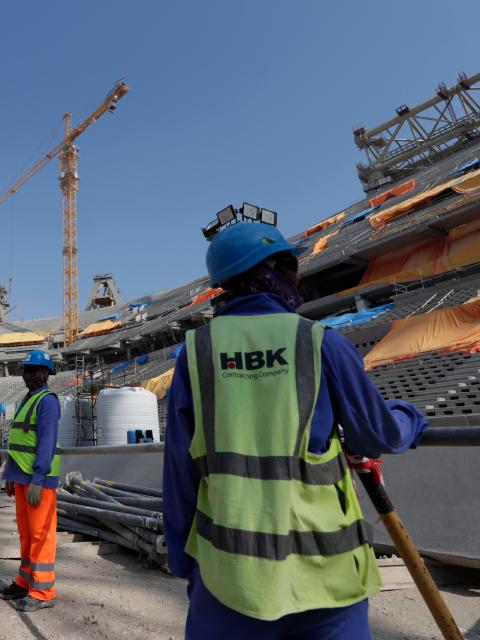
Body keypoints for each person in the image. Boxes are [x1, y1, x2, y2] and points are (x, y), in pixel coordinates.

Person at [162, 221, 428, 638]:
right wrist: (410, 418)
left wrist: (180, 555)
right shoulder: (320, 342)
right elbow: (379, 436)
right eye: (289, 267)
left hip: (230, 577)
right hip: (325, 576)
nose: (296, 279)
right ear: (265, 272)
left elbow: (180, 470)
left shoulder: (196, 353)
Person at [0, 350, 62, 612]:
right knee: (26, 533)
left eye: (37, 370)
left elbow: (46, 444)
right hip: (23, 479)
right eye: (28, 369)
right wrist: (12, 476)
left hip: (39, 482)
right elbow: (18, 443)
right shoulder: (28, 400)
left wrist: (37, 478)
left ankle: (43, 591)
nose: (32, 374)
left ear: (47, 374)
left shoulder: (47, 401)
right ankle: (25, 581)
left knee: (40, 534)